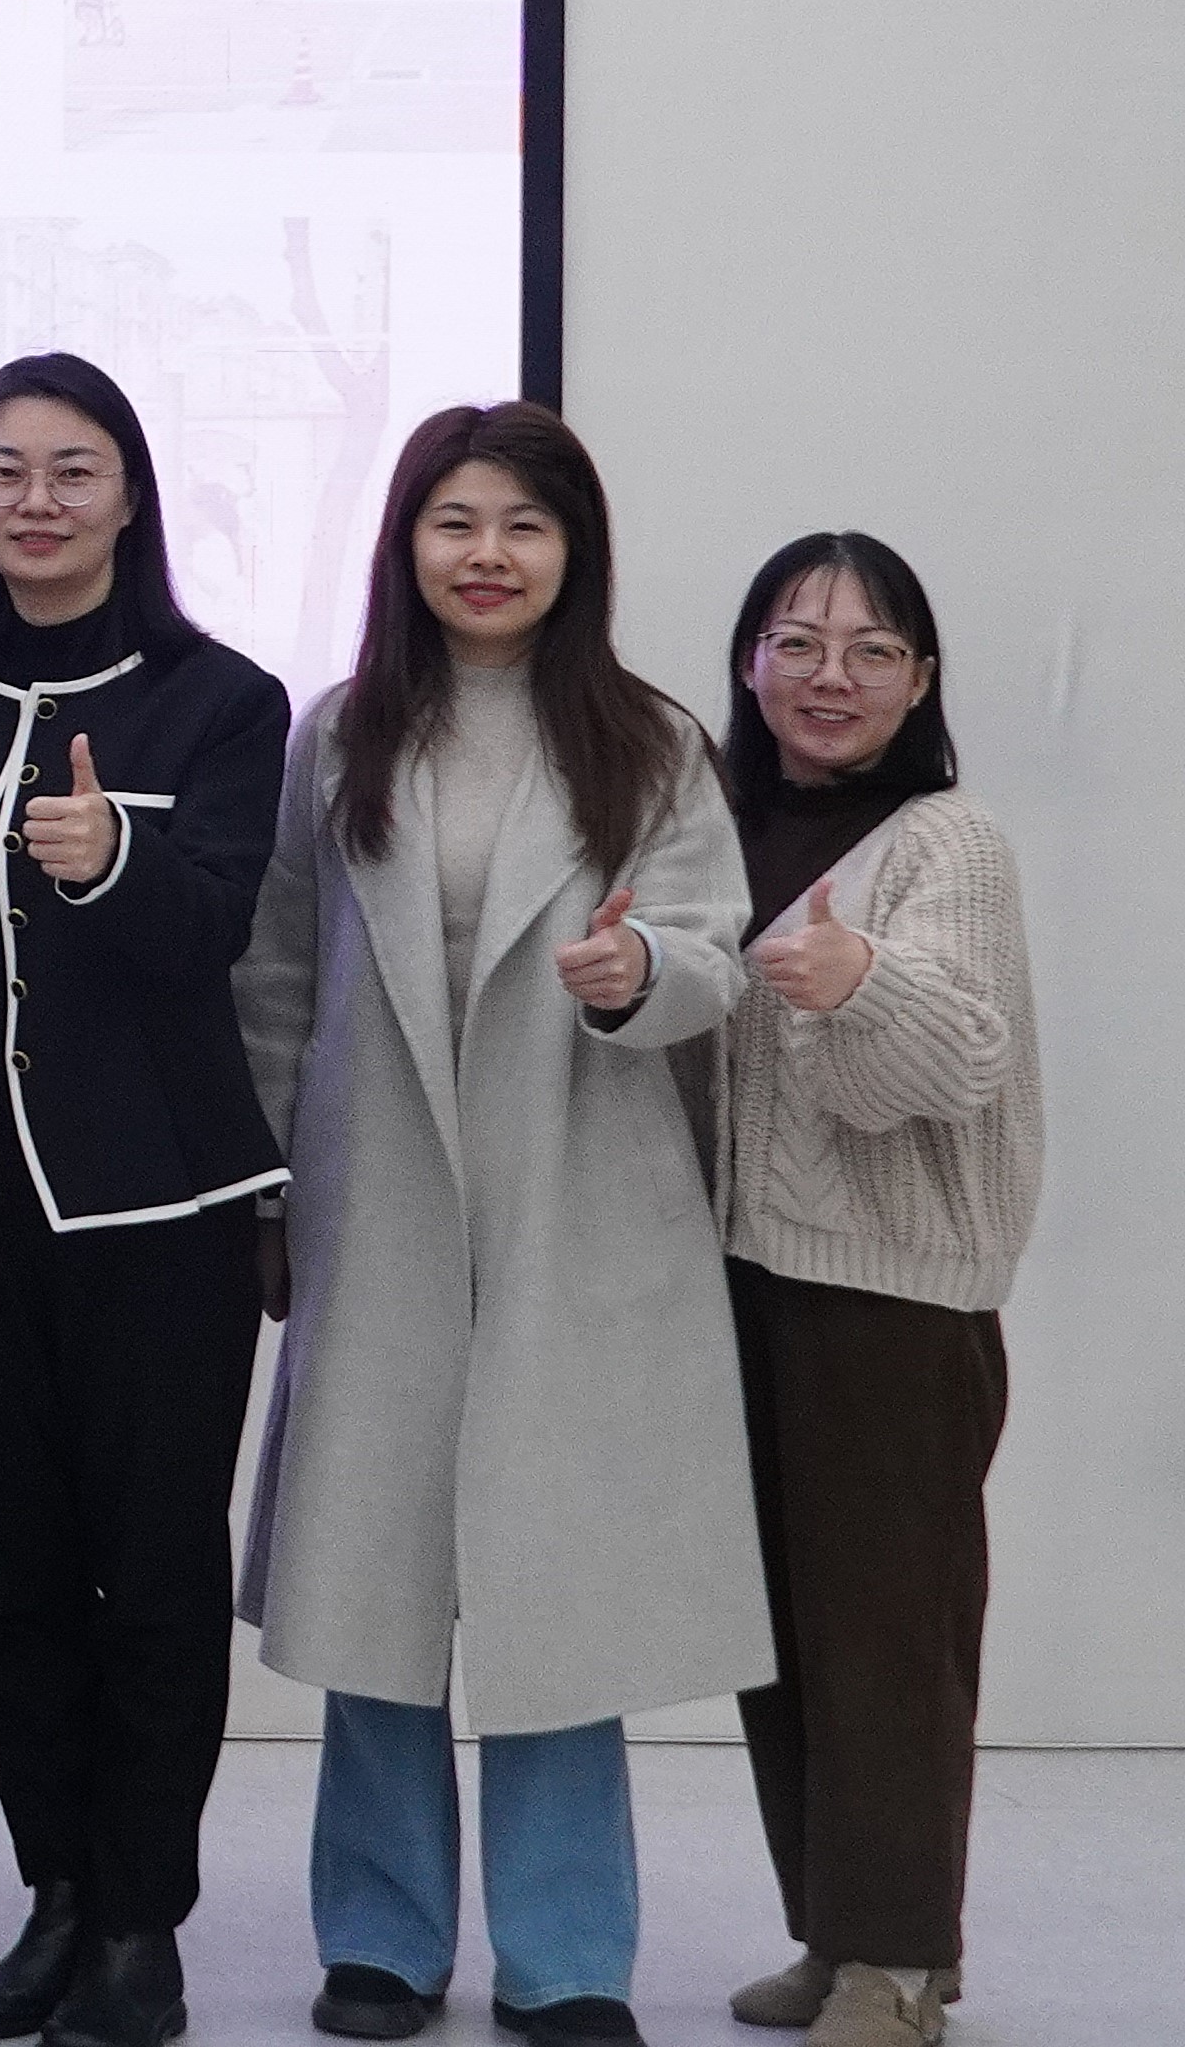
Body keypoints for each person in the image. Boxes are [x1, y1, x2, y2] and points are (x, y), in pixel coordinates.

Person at [232, 404, 765, 2047]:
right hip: (379, 1205)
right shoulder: (341, 735)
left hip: (577, 1203)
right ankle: (381, 1938)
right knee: (376, 1588)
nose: (487, 555)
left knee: (557, 1594)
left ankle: (567, 1955)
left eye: (524, 525)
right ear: (406, 542)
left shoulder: (648, 742)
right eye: (455, 521)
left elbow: (716, 951)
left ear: (572, 551)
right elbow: (278, 972)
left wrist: (638, 972)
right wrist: (277, 1188)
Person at [0, 357, 291, 2047]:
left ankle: (138, 1927)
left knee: (156, 1582)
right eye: (5, 471)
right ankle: (53, 1901)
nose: (37, 500)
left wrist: (112, 864)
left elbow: (213, 932)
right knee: (17, 1585)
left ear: (130, 495)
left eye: (74, 469)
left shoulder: (221, 700)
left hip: (163, 1218)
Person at [704, 536, 1036, 2047]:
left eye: (872, 650)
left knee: (891, 1638)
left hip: (891, 1304)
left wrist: (860, 986)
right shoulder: (721, 821)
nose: (830, 677)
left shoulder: (946, 840)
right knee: (777, 1631)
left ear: (921, 680)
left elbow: (956, 1064)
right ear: (751, 661)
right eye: (798, 642)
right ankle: (839, 1934)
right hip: (737, 1278)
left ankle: (900, 1967)